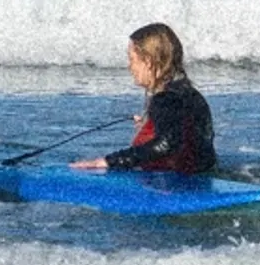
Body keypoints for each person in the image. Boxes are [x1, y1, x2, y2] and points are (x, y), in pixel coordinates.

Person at [72, 22, 215, 176]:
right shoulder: (192, 95)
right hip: (203, 173)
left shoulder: (165, 99)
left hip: (175, 184)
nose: (129, 67)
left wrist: (109, 161)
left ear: (148, 61)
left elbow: (166, 144)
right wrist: (151, 128)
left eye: (132, 59)